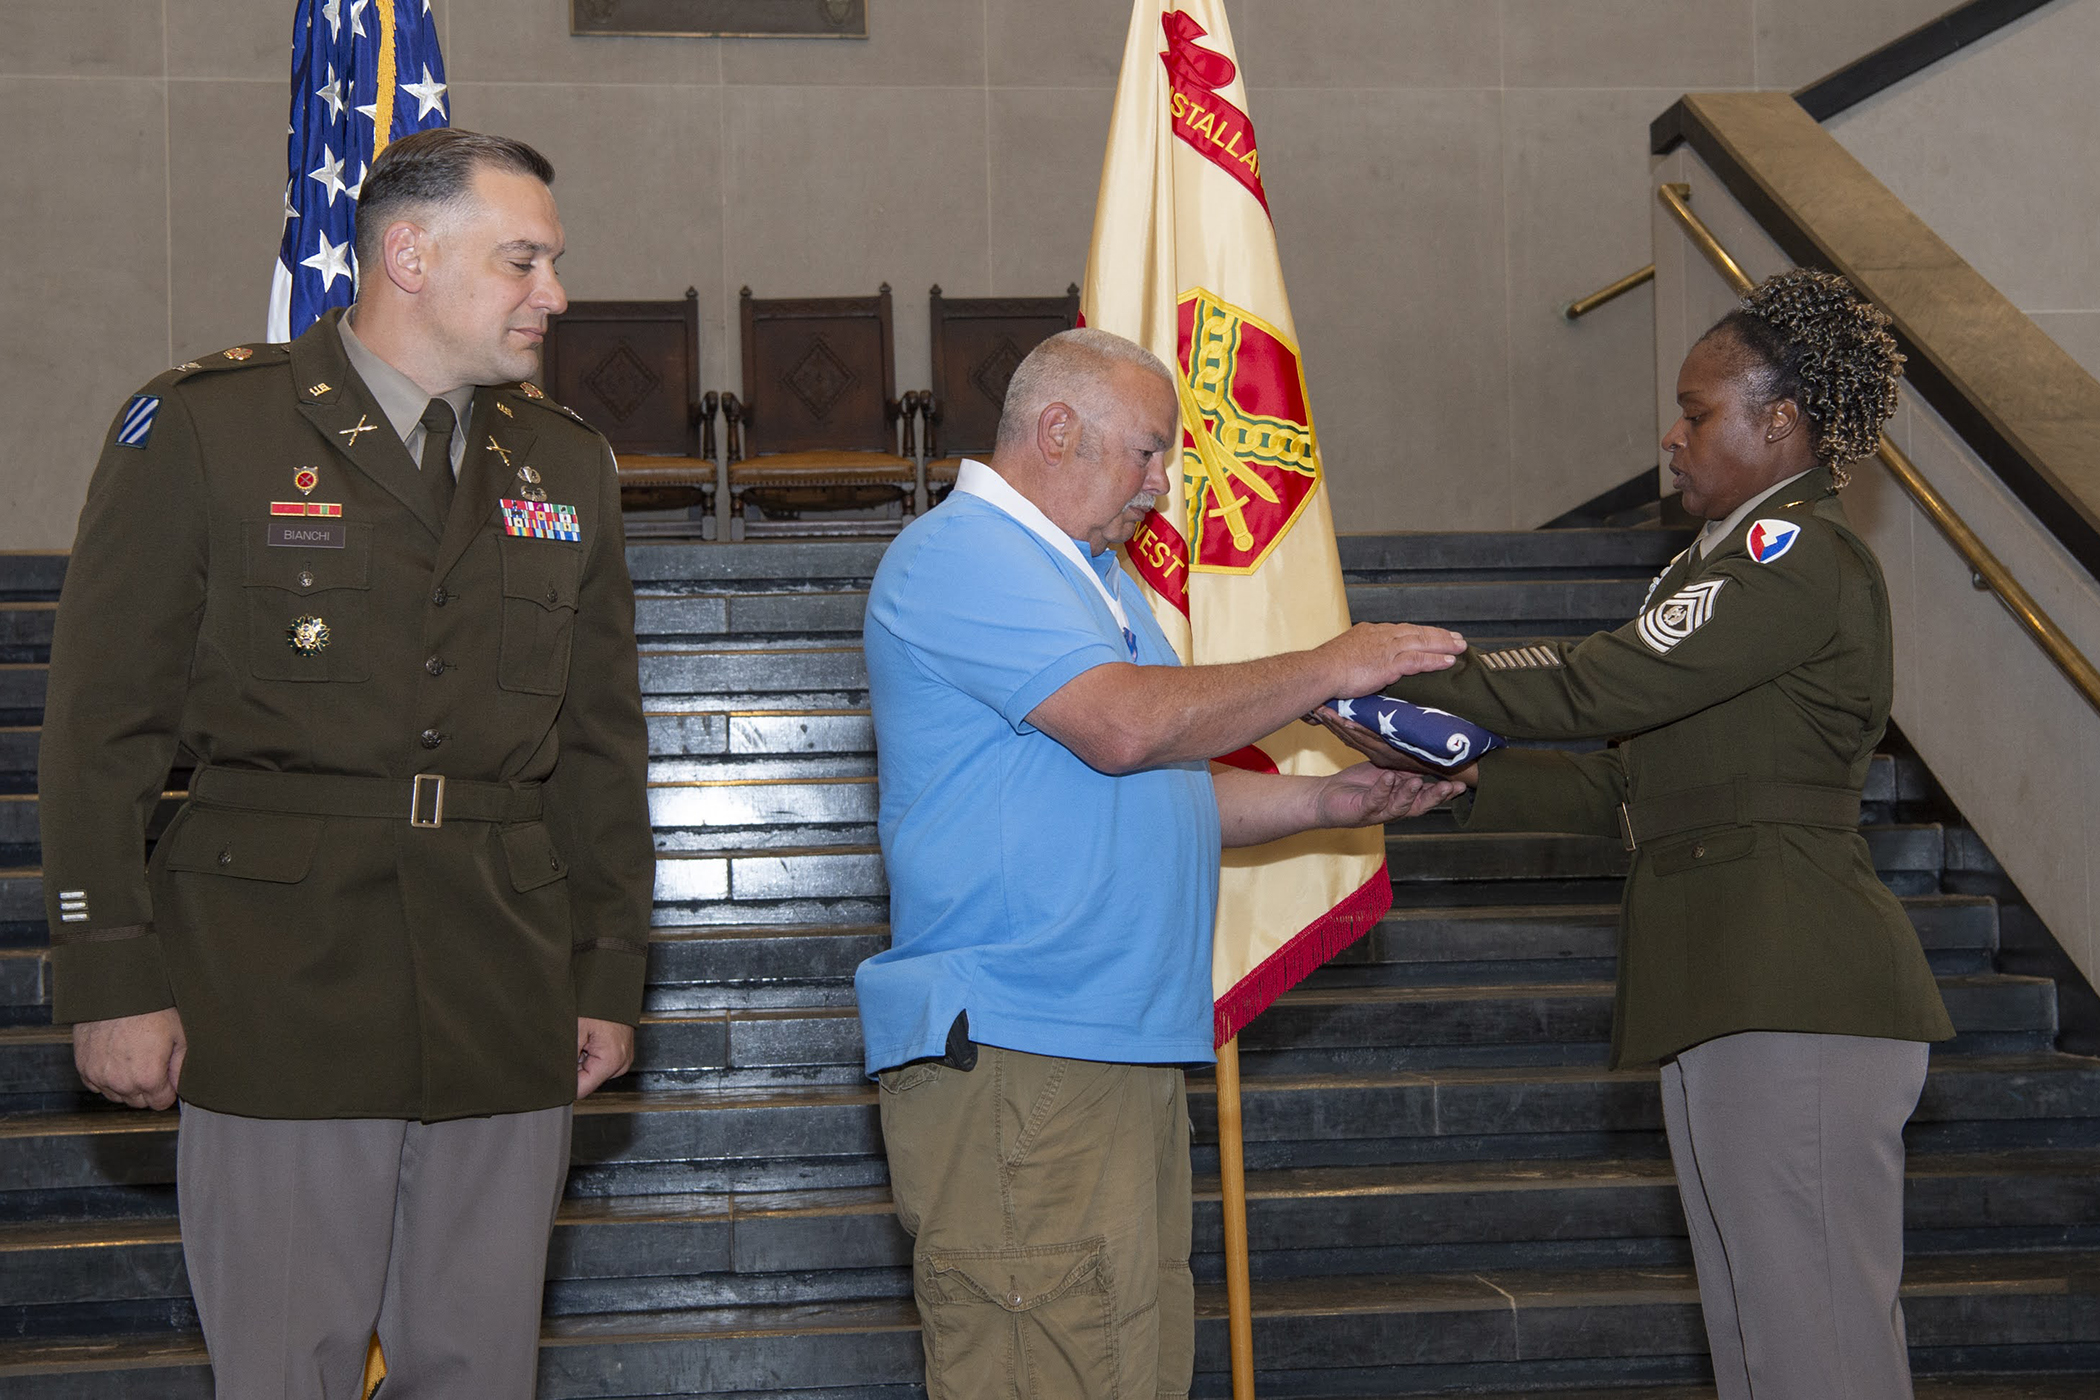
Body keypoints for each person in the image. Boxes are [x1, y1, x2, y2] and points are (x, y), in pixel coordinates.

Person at [40, 128, 653, 1397]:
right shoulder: (212, 428)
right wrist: (110, 970)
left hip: (502, 978)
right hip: (277, 986)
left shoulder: (566, 462)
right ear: (408, 254)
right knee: (286, 1366)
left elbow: (599, 745)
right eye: (524, 259)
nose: (557, 294)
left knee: (479, 1367)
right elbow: (101, 726)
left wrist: (606, 964)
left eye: (553, 261)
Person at [1322, 269, 1953, 1400]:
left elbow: (1597, 684)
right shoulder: (1714, 564)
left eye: (1697, 410)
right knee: (1762, 1344)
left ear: (1779, 423)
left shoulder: (1793, 554)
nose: (1672, 436)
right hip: (1730, 985)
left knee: (1820, 1353)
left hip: (1795, 983)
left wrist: (1406, 663)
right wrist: (1452, 777)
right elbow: (1622, 793)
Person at [857, 327, 1470, 1399]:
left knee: (1126, 1361)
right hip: (1020, 1037)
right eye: (1147, 452)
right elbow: (1126, 730)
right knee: (1044, 1363)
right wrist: (1331, 661)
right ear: (1057, 429)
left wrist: (1324, 799)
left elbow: (1161, 784)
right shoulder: (961, 554)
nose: (1162, 485)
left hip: (1107, 1036)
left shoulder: (1089, 575)